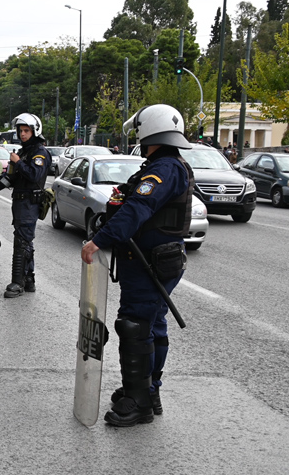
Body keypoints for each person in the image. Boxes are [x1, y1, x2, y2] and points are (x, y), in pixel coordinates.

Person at [81, 104, 194, 427]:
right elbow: (127, 202)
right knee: (152, 325)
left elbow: (137, 209)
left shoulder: (164, 169)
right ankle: (148, 389)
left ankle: (139, 402)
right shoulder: (162, 165)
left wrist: (98, 241)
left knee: (134, 325)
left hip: (151, 262)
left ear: (150, 131)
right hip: (156, 259)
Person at [0, 114, 51, 297]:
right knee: (25, 241)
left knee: (22, 242)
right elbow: (8, 178)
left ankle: (17, 283)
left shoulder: (39, 153)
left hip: (30, 203)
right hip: (20, 203)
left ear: (35, 131)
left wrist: (18, 163)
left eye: (26, 130)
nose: (23, 134)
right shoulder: (23, 152)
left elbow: (34, 176)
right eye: (21, 131)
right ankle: (29, 280)